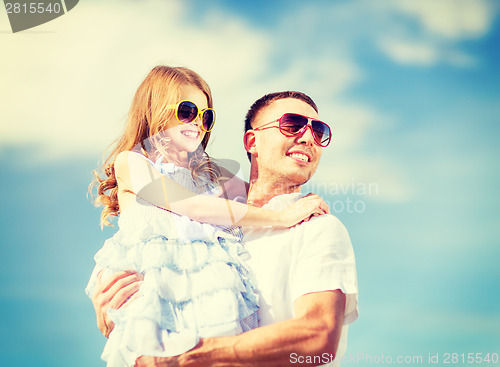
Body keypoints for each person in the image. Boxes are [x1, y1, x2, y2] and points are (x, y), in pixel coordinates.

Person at [92, 90, 358, 367]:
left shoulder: (317, 228)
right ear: (252, 141)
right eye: (292, 125)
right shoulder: (201, 232)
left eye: (319, 131)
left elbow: (316, 337)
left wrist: (186, 356)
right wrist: (119, 319)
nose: (307, 137)